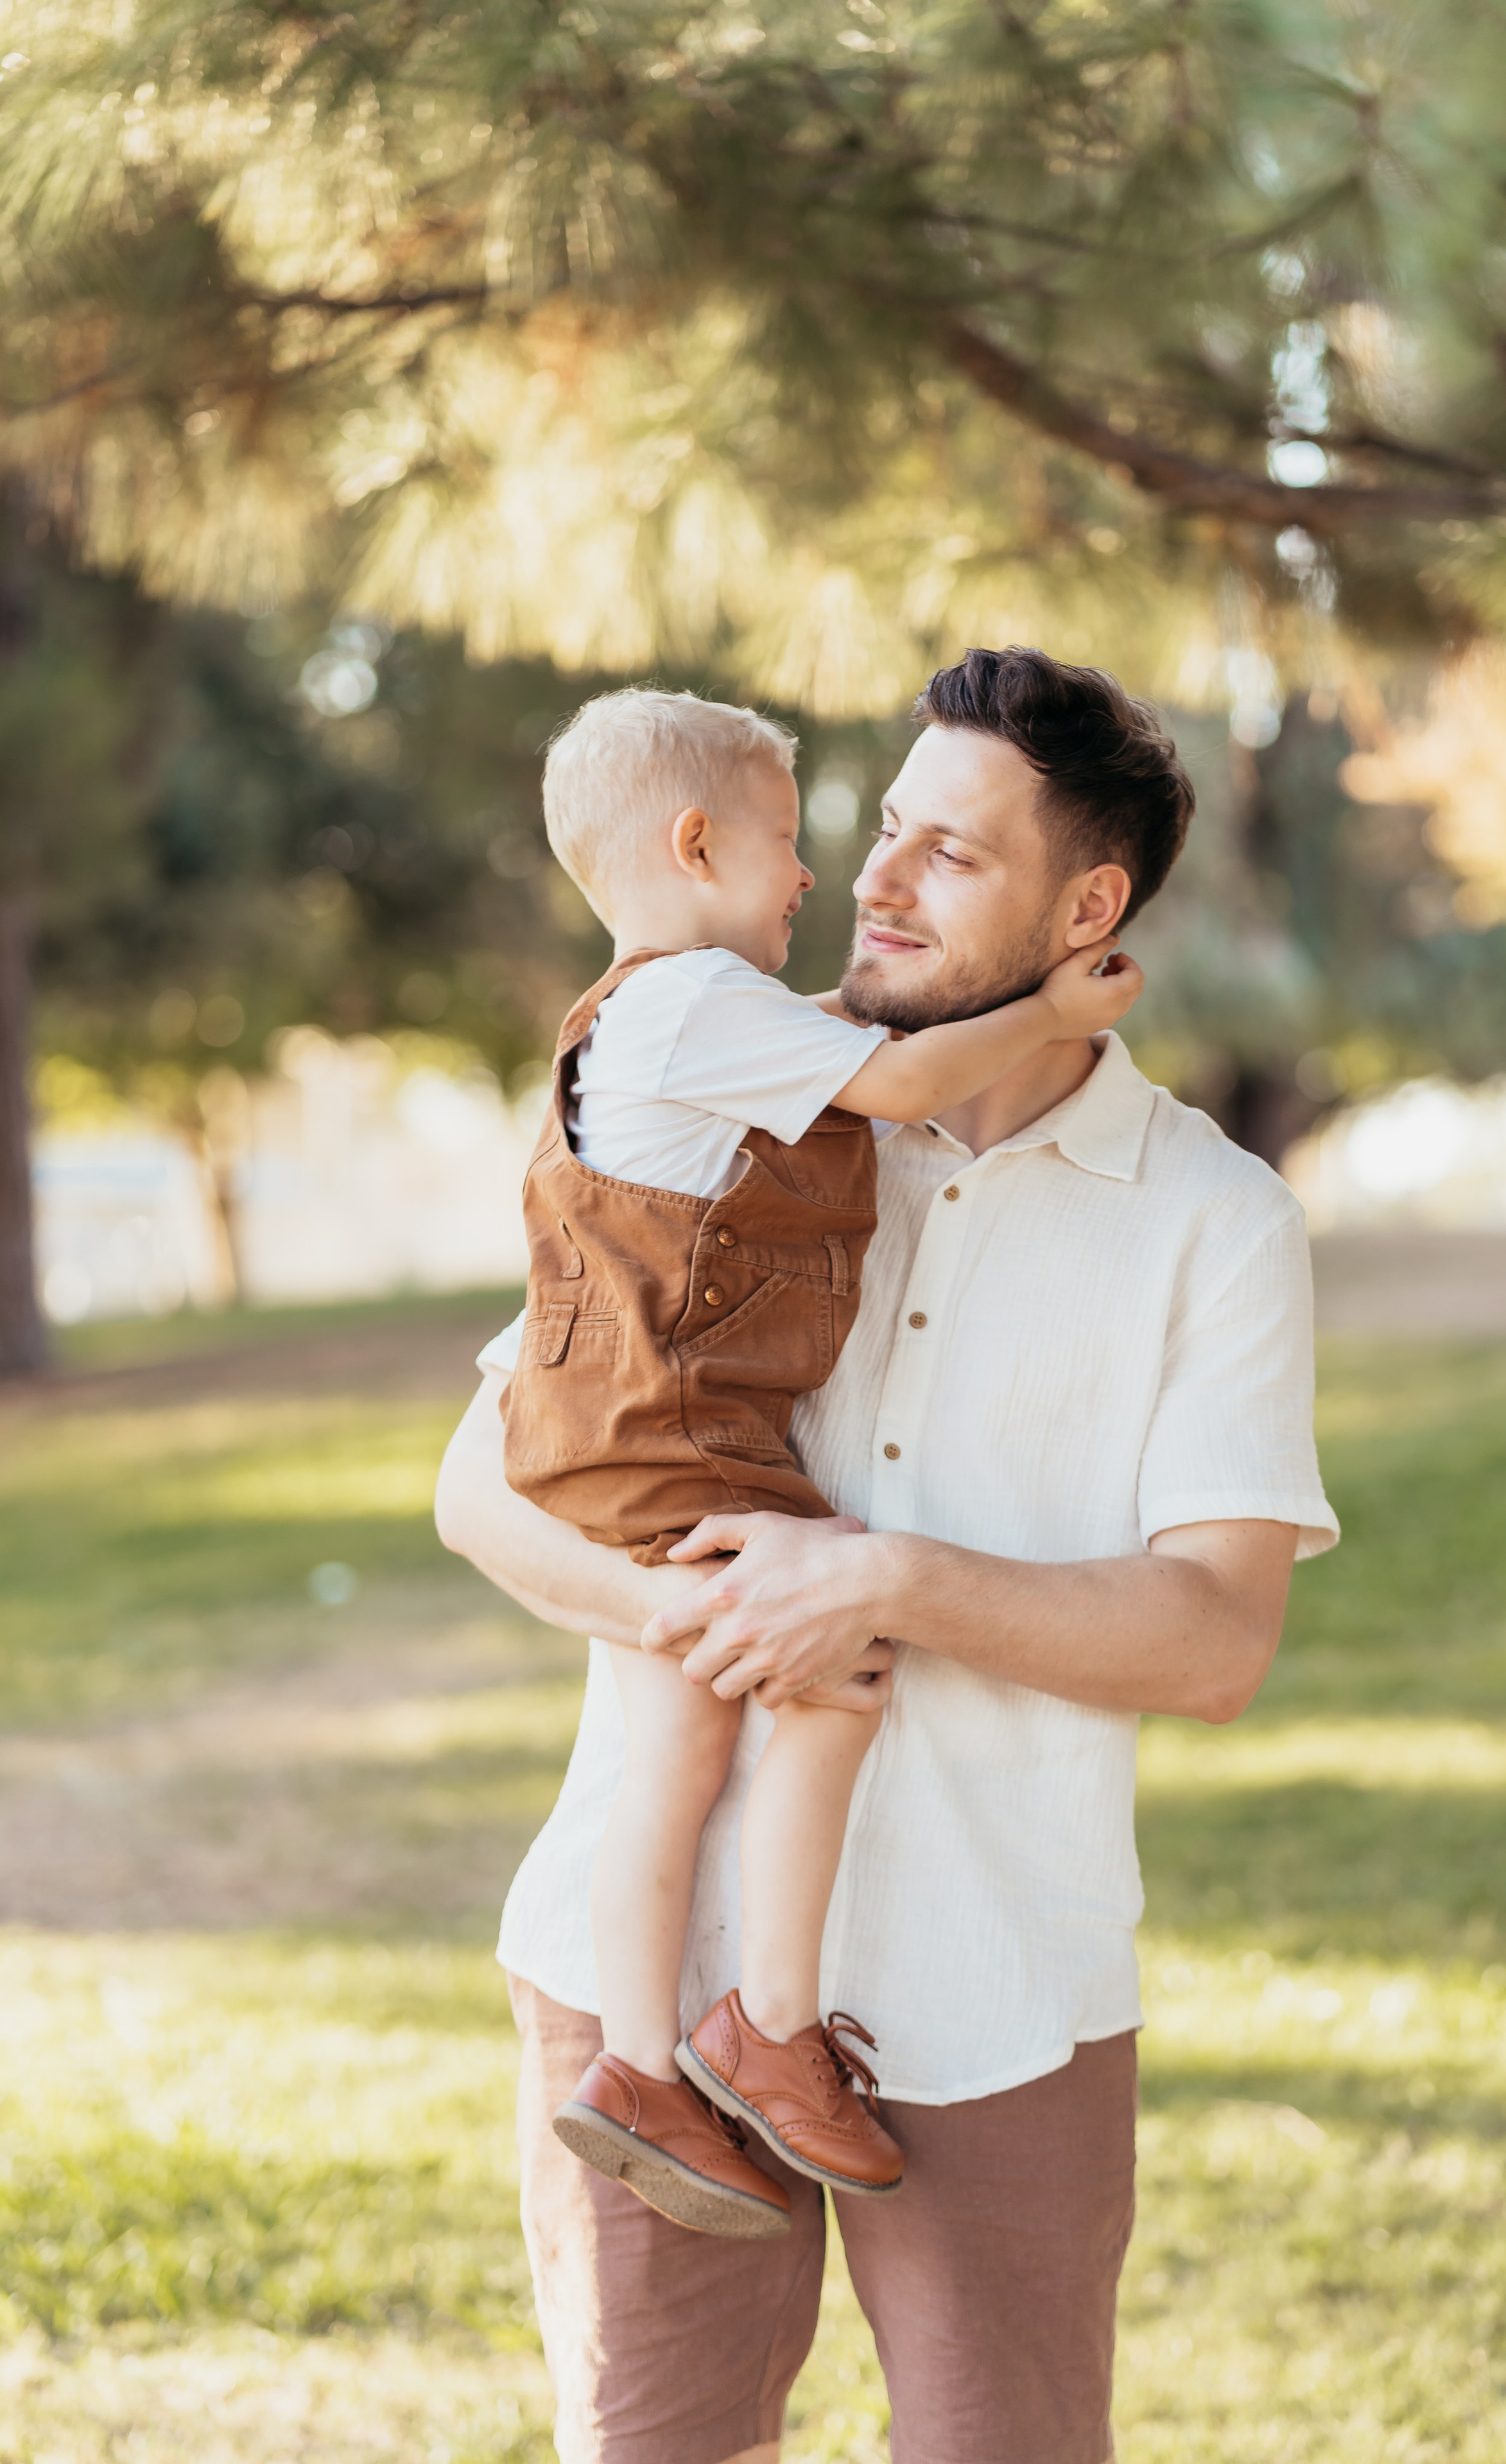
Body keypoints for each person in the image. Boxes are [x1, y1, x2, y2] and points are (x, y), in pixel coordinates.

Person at [437, 646, 1339, 2464]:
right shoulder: (721, 1091)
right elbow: (482, 1487)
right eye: (885, 829)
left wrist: (881, 1583)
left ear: (1086, 913)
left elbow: (1215, 1640)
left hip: (998, 1989)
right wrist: (703, 1611)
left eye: (952, 851)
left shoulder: (1217, 1222)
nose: (876, 878)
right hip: (641, 1991)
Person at [504, 688, 1143, 2239]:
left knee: (677, 1747)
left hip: (616, 1430)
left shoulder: (661, 1018)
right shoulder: (690, 1004)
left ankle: (646, 2063)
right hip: (674, 1431)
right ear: (694, 844)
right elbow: (902, 1081)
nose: (816, 875)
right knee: (836, 1673)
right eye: (787, 838)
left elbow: (843, 1048)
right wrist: (1055, 1012)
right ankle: (762, 2030)